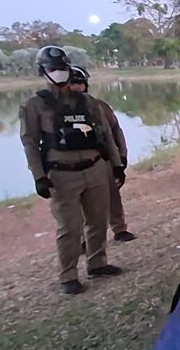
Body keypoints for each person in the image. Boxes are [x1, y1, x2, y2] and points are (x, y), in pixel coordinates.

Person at [19, 46, 125, 295]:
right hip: (62, 174)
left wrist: (117, 165)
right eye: (53, 69)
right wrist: (39, 177)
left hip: (95, 168)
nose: (59, 74)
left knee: (98, 220)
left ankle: (97, 263)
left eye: (62, 68)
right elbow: (30, 142)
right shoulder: (34, 105)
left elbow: (106, 134)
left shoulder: (88, 102)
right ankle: (68, 275)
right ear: (43, 72)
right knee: (69, 227)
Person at [69, 66, 136, 242]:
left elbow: (115, 132)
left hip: (102, 159)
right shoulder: (57, 111)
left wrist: (121, 158)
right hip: (73, 164)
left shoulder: (98, 106)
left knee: (112, 194)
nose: (76, 87)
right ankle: (84, 240)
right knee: (79, 203)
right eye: (72, 83)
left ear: (85, 85)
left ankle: (119, 228)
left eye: (79, 83)